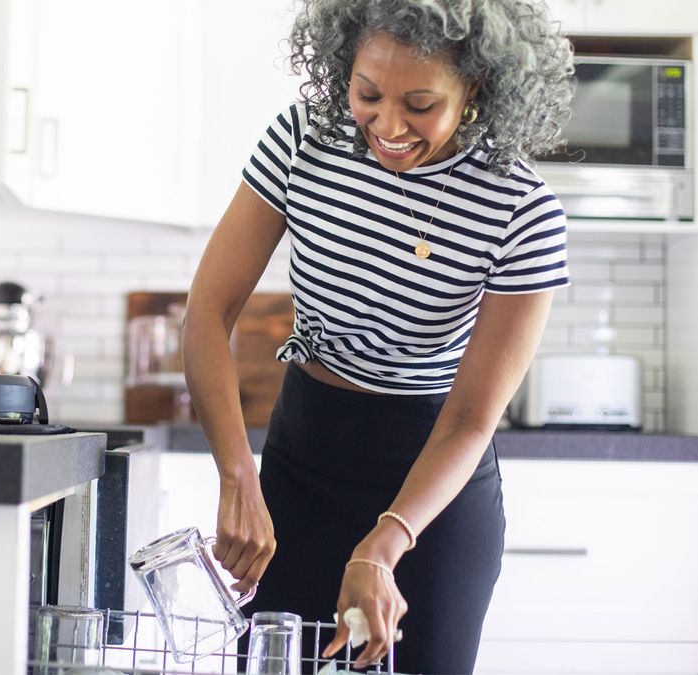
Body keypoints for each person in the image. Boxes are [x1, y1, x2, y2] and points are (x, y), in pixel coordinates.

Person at [181, 0, 575, 671]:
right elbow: (206, 315)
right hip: (303, 457)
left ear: (475, 87)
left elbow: (472, 417)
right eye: (368, 94)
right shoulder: (304, 138)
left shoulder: (523, 212)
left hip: (432, 485)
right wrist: (237, 473)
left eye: (420, 103)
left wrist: (383, 545)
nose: (387, 125)